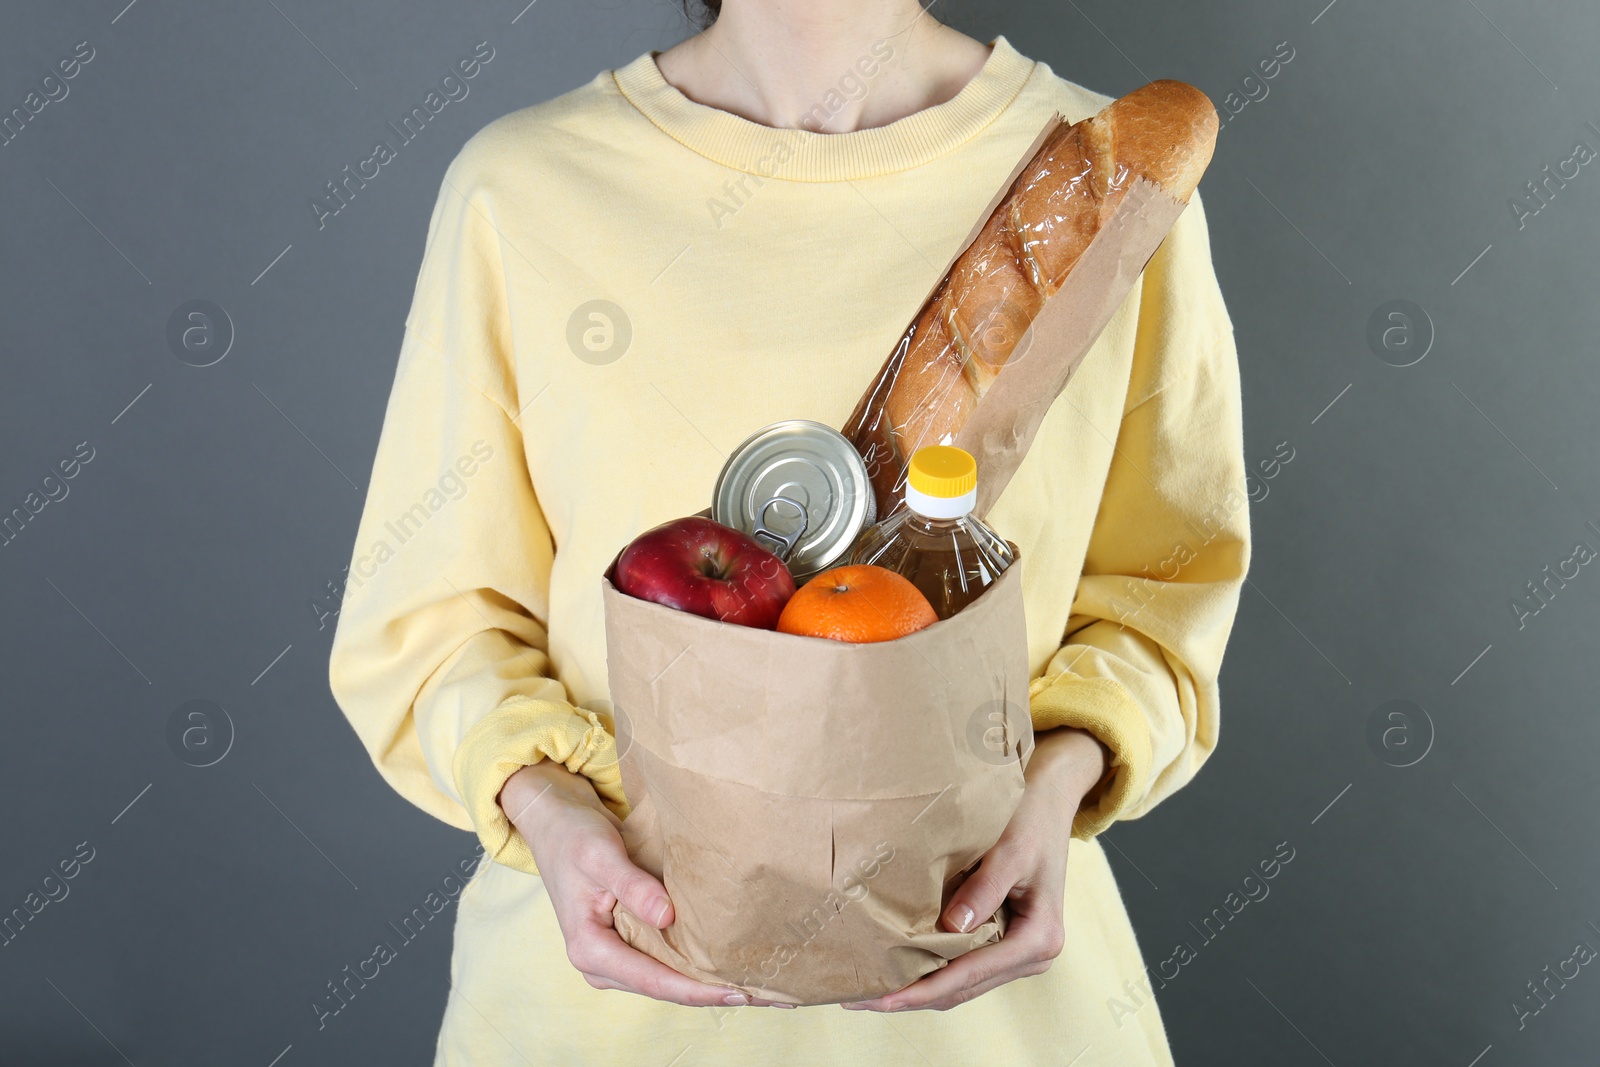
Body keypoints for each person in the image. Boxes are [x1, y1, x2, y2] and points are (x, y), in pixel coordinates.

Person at [328, 0, 1250, 1062]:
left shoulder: (1115, 197)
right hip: (605, 1007)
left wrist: (1060, 776)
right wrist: (543, 804)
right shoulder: (522, 190)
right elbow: (429, 626)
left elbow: (1165, 588)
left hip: (986, 999)